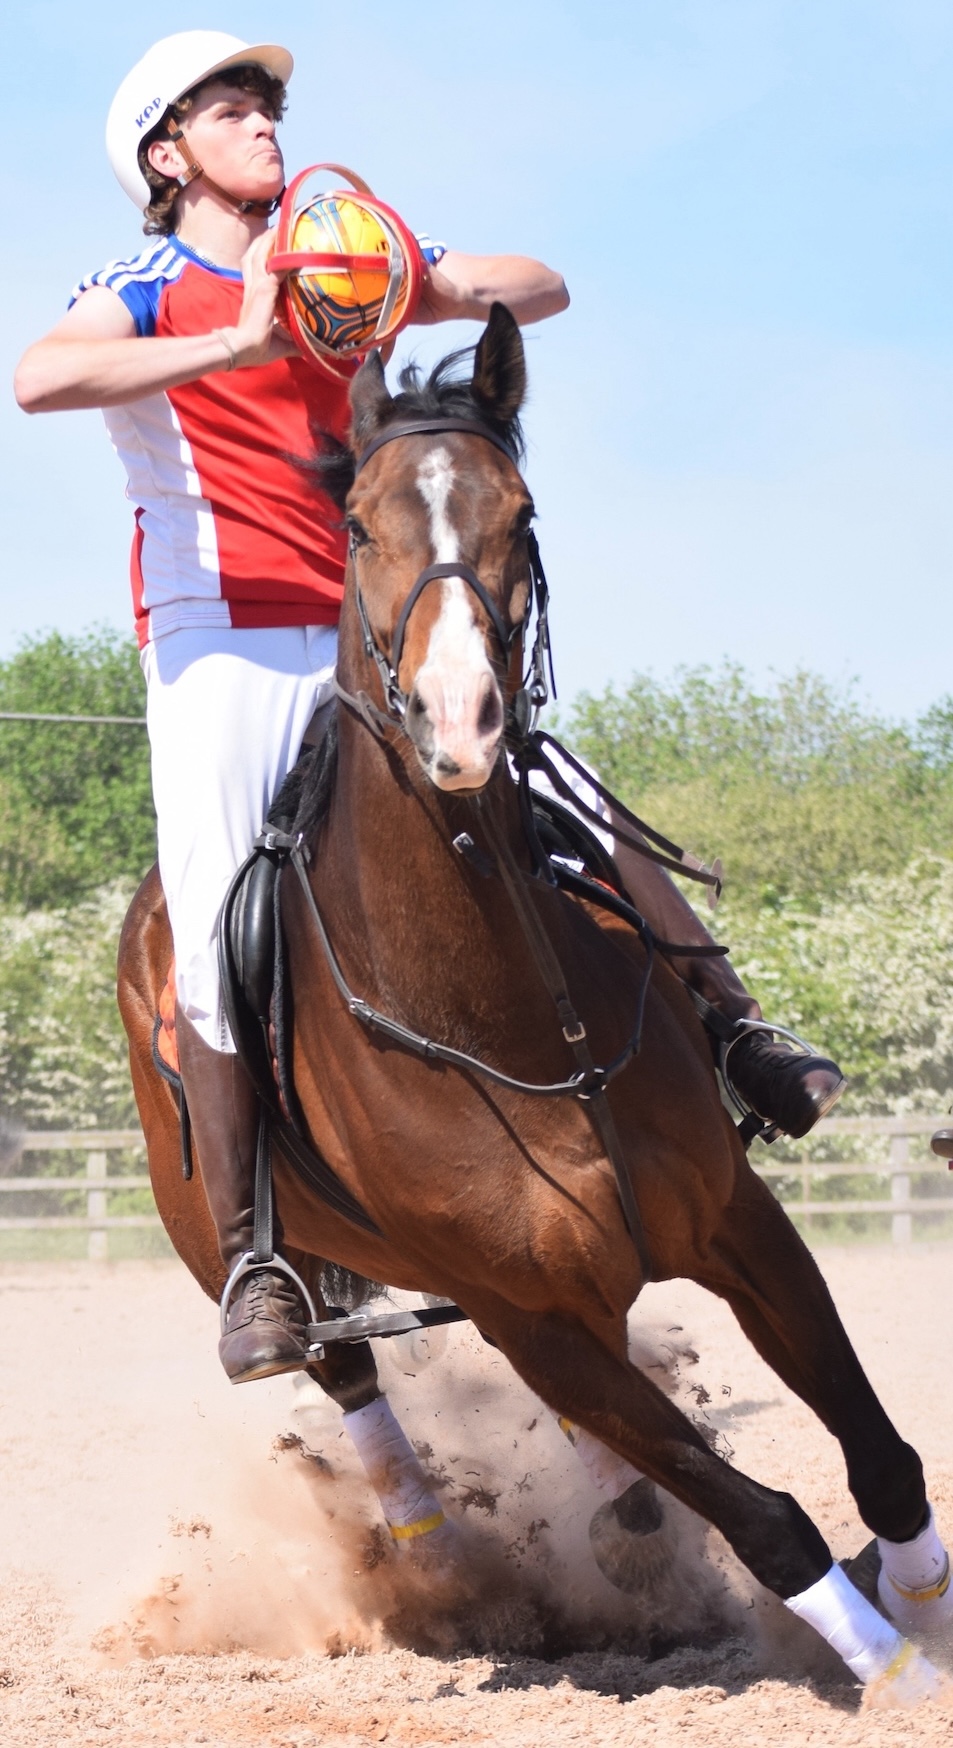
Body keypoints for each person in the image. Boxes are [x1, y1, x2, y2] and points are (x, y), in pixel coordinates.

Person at [15, 30, 842, 1388]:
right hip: (222, 640)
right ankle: (259, 1252)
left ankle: (737, 1031)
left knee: (556, 804)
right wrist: (235, 338)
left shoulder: (349, 261)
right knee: (216, 923)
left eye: (270, 106)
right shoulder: (142, 284)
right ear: (168, 154)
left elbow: (545, 285)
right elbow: (40, 377)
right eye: (230, 110)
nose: (265, 125)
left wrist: (426, 276)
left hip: (383, 625)